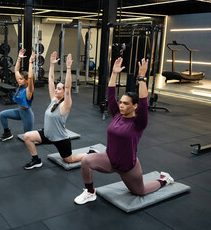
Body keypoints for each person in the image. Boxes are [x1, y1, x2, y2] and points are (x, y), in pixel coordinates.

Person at [74, 57, 174, 205]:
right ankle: (90, 192)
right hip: (110, 159)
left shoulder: (139, 123)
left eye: (125, 103)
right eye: (121, 102)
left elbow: (144, 101)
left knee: (140, 191)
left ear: (135, 106)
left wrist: (142, 78)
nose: (121, 105)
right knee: (86, 161)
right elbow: (110, 95)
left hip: (128, 166)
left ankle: (164, 180)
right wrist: (114, 74)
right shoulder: (117, 116)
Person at [23, 52, 87, 170]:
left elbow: (68, 87)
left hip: (60, 139)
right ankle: (36, 160)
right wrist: (51, 65)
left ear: (64, 92)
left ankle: (91, 154)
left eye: (59, 89)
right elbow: (50, 81)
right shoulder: (54, 99)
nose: (56, 90)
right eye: (56, 89)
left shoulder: (65, 104)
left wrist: (68, 68)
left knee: (69, 160)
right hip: (47, 135)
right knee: (27, 137)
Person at [0, 49, 35, 141]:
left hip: (27, 114)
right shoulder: (21, 85)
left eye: (21, 79)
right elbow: (16, 70)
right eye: (20, 79)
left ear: (26, 81)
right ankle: (7, 133)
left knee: (27, 137)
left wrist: (30, 63)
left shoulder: (28, 90)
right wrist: (19, 58)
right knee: (2, 114)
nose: (19, 80)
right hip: (19, 111)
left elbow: (30, 77)